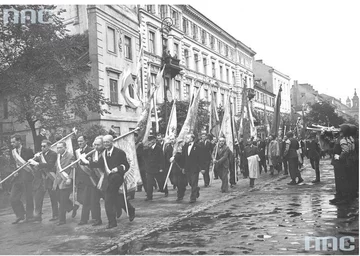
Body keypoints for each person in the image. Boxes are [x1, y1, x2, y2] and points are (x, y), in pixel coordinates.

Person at [80, 135, 135, 228]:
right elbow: (98, 164)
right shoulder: (104, 153)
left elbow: (126, 165)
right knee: (114, 199)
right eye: (104, 142)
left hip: (117, 178)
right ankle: (119, 217)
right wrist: (85, 161)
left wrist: (118, 169)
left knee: (110, 199)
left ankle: (115, 220)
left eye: (107, 142)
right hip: (108, 179)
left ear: (112, 142)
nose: (106, 144)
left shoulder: (119, 152)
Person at [28, 140, 58, 222]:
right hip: (41, 179)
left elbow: (49, 165)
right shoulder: (40, 155)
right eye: (41, 146)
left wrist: (36, 163)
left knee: (53, 197)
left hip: (50, 178)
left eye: (44, 146)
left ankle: (56, 215)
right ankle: (38, 216)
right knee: (38, 198)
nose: (42, 148)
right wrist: (34, 158)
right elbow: (33, 165)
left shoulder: (53, 154)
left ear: (49, 146)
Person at [171, 134, 205, 203]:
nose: (186, 138)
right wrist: (183, 167)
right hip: (187, 168)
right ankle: (196, 190)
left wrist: (202, 168)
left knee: (194, 182)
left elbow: (201, 158)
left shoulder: (198, 147)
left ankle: (193, 198)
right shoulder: (185, 147)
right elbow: (183, 158)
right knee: (190, 183)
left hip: (195, 168)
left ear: (192, 138)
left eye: (188, 137)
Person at [9, 134, 35, 224]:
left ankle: (29, 216)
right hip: (17, 177)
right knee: (13, 197)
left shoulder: (28, 151)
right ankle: (20, 215)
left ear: (19, 141)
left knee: (28, 197)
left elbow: (33, 164)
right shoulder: (13, 152)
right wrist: (14, 171)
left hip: (27, 176)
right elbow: (12, 164)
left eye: (13, 142)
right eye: (11, 142)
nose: (12, 144)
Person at [53, 141, 79, 225]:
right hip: (58, 181)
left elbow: (73, 168)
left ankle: (62, 220)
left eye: (60, 147)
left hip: (66, 181)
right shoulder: (58, 157)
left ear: (65, 148)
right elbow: (57, 169)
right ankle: (72, 206)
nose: (58, 149)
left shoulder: (70, 156)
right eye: (57, 148)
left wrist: (70, 178)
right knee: (58, 198)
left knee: (63, 201)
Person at [75, 135, 98, 226]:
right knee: (84, 200)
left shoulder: (91, 150)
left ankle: (96, 218)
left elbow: (94, 164)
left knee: (93, 200)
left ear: (86, 141)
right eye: (78, 142)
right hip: (81, 180)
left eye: (81, 141)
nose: (80, 143)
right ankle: (84, 219)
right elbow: (77, 166)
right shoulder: (77, 152)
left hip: (90, 178)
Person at [142, 135, 168, 201]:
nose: (149, 142)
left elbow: (162, 159)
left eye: (150, 141)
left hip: (157, 168)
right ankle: (149, 196)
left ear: (154, 141)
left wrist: (161, 168)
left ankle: (165, 190)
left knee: (161, 181)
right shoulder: (147, 149)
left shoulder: (158, 148)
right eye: (149, 141)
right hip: (149, 168)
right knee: (149, 183)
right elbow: (144, 156)